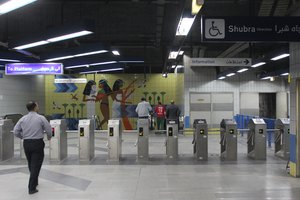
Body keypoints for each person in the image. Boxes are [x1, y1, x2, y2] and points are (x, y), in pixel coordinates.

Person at [13, 101, 52, 195]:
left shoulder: (23, 118)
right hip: (37, 143)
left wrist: (23, 136)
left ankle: (34, 181)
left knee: (31, 163)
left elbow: (15, 131)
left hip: (26, 143)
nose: (38, 107)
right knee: (36, 165)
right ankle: (32, 188)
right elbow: (48, 129)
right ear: (35, 107)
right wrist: (49, 136)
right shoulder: (41, 118)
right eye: (37, 105)